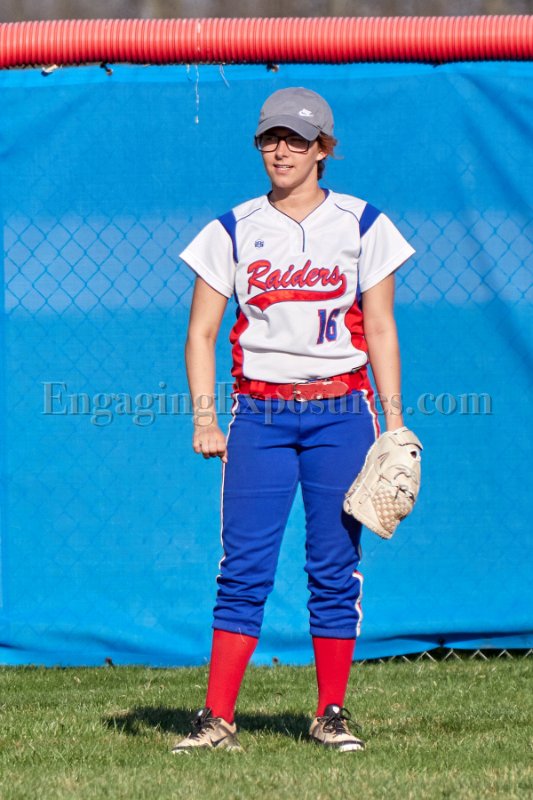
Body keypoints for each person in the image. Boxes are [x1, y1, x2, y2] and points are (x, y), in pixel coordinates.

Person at [173, 87, 415, 754]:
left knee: (334, 565)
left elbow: (381, 328)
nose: (281, 150)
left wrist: (394, 424)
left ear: (323, 149)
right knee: (243, 567)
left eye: (296, 139)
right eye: (270, 138)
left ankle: (331, 711)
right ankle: (217, 718)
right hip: (260, 414)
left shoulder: (364, 224)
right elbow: (200, 333)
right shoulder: (231, 228)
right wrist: (204, 419)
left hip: (342, 412)